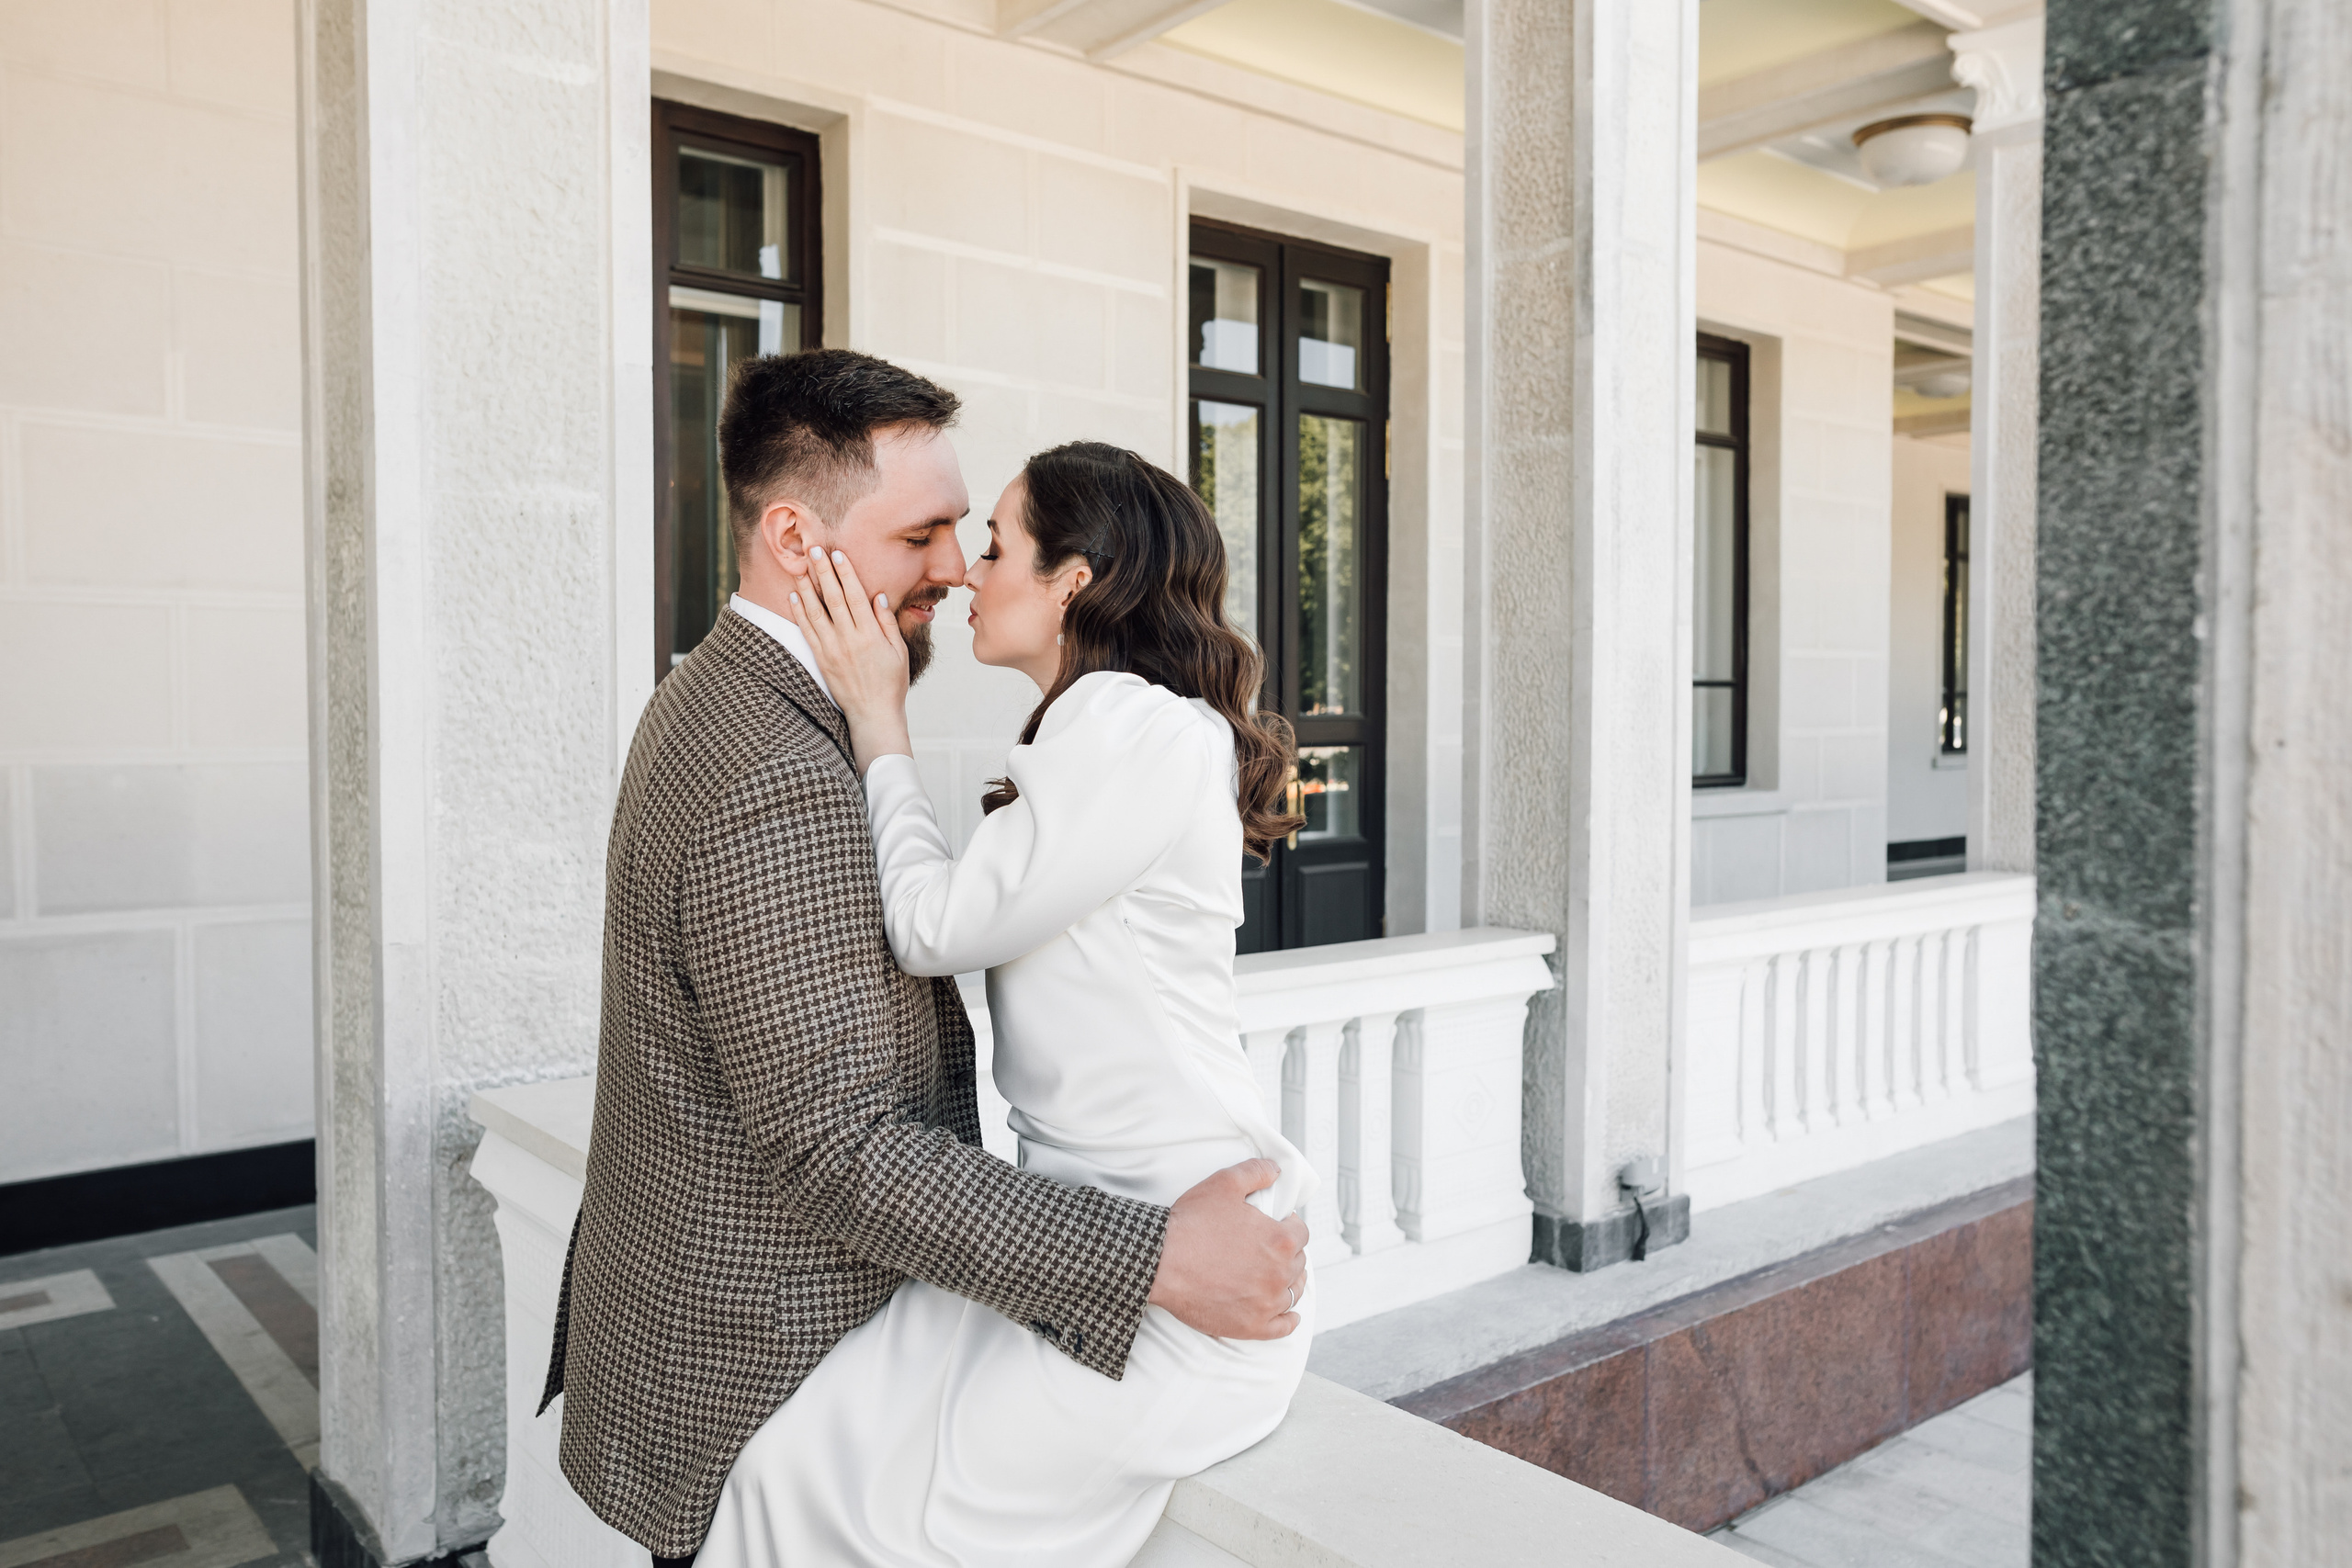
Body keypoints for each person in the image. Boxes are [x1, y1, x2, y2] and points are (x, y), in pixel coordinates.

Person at [540, 351, 1308, 1567]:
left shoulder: (718, 698)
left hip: (769, 1340)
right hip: (762, 1374)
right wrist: (1155, 1257)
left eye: (973, 536)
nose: (955, 569)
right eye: (924, 536)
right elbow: (837, 1148)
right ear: (796, 539)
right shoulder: (772, 773)